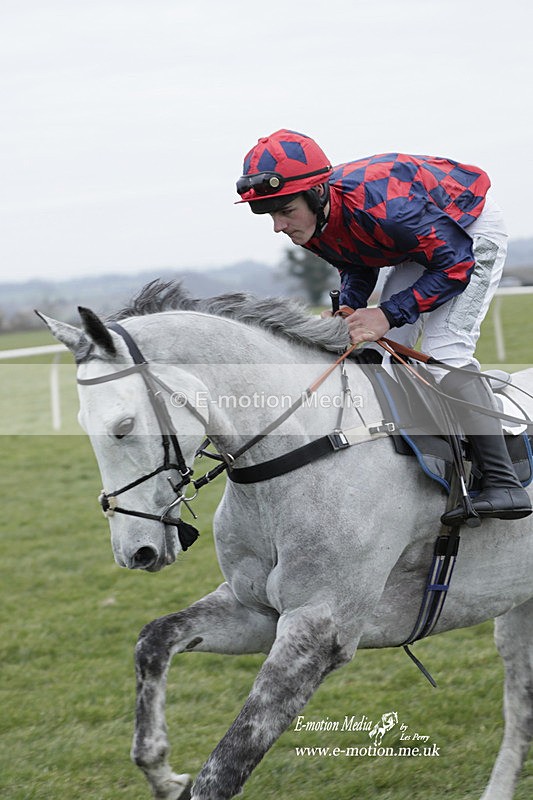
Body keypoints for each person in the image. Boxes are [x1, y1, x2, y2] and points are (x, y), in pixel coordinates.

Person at [236, 129, 531, 525]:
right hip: (415, 240)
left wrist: (387, 313)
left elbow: (456, 265)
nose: (278, 226)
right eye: (270, 214)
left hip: (466, 231)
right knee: (379, 350)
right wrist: (353, 308)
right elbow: (355, 262)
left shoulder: (387, 209)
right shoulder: (311, 221)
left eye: (285, 211)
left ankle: (504, 482)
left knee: (445, 350)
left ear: (318, 193)